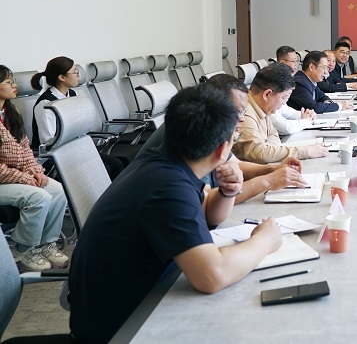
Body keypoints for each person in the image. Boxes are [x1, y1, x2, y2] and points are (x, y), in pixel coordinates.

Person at [69, 85, 284, 343]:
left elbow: (207, 213)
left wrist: (228, 192)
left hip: (141, 303)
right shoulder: (167, 187)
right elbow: (212, 276)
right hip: (125, 330)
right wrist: (264, 240)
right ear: (222, 150)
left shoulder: (162, 162)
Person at [135, 74, 307, 203]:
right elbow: (206, 200)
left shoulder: (212, 126)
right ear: (213, 105)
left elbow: (236, 164)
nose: (242, 118)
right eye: (236, 111)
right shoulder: (195, 130)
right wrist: (268, 181)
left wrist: (272, 169)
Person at [0, 65, 70, 272]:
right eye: (8, 82)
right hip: (3, 180)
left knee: (57, 190)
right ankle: (24, 248)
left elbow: (25, 147)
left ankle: (46, 243)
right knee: (39, 197)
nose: (14, 85)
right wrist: (24, 178)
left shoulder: (11, 112)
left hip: (15, 176)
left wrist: (35, 171)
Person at [31, 56, 124, 179]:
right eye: (75, 72)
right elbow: (48, 142)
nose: (78, 75)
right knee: (103, 169)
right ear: (62, 77)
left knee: (116, 164)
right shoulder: (46, 103)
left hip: (74, 150)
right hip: (55, 156)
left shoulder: (72, 94)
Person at [234, 63, 328, 164]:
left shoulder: (262, 109)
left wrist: (269, 149)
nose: (284, 103)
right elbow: (259, 153)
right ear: (267, 94)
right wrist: (305, 151)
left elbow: (274, 135)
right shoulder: (244, 113)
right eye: (283, 97)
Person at [271, 46, 315, 136]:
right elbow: (286, 128)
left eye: (297, 61)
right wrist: (306, 121)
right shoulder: (274, 86)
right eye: (293, 61)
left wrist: (306, 114)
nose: (296, 65)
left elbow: (286, 111)